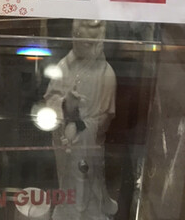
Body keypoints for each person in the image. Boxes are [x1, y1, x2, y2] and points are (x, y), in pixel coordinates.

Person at [44, 20, 117, 220]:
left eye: (97, 42)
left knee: (91, 177)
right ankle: (68, 211)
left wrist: (83, 127)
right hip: (67, 141)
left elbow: (106, 118)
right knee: (69, 179)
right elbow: (51, 102)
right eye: (87, 42)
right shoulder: (63, 68)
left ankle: (94, 212)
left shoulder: (107, 74)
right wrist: (67, 105)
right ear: (75, 38)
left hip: (89, 142)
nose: (92, 47)